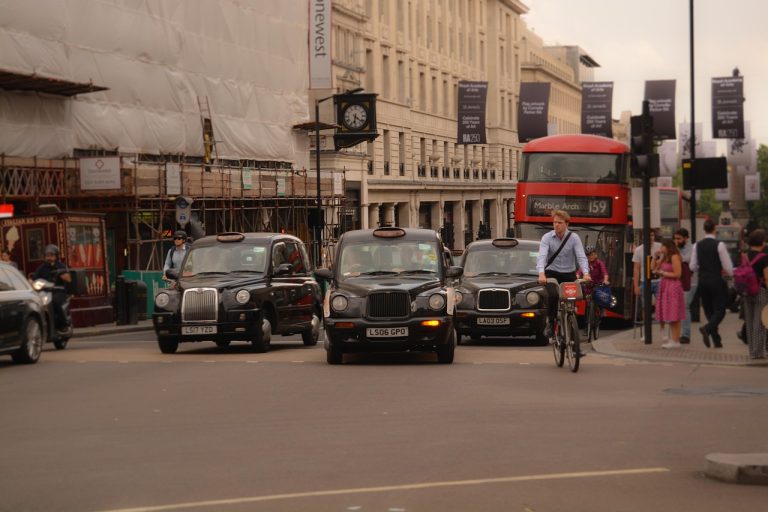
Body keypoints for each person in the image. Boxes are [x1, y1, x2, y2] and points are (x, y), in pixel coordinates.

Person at [536, 210, 591, 340]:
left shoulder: (574, 238)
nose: (556, 225)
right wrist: (541, 274)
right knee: (553, 295)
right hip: (551, 273)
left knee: (572, 298)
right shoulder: (547, 238)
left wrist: (586, 273)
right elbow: (542, 257)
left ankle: (571, 322)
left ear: (567, 224)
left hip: (568, 274)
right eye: (554, 222)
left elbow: (581, 257)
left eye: (559, 223)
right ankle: (550, 322)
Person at [690, 219, 734, 348]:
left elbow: (692, 266)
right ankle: (707, 328)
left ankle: (717, 340)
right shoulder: (719, 245)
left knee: (709, 311)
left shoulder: (696, 245)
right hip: (716, 280)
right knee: (720, 310)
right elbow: (727, 266)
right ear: (714, 229)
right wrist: (732, 274)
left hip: (702, 281)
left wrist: (703, 268)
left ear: (704, 229)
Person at [653, 240, 686, 348]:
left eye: (662, 245)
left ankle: (675, 340)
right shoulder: (664, 258)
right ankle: (674, 340)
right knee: (670, 313)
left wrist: (663, 273)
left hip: (673, 286)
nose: (660, 248)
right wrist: (655, 257)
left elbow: (678, 274)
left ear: (667, 247)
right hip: (665, 286)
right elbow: (652, 268)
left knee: (674, 313)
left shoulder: (674, 257)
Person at [740, 229, 768, 359]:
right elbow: (767, 278)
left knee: (750, 321)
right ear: (762, 242)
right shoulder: (764, 258)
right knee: (760, 322)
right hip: (760, 291)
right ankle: (758, 352)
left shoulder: (745, 256)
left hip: (746, 291)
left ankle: (752, 350)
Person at [32, 244, 72, 333]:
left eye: (51, 255)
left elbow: (68, 278)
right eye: (47, 255)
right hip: (45, 291)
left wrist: (61, 273)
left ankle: (63, 324)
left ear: (56, 256)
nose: (49, 257)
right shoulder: (42, 267)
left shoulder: (61, 266)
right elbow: (34, 278)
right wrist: (30, 282)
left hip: (58, 291)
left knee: (56, 302)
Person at [673, 228, 694, 344]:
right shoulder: (676, 249)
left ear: (686, 238)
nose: (677, 241)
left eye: (679, 239)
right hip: (677, 281)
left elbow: (685, 259)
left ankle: (685, 335)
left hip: (689, 282)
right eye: (675, 238)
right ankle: (678, 334)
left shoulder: (691, 248)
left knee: (685, 307)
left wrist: (674, 253)